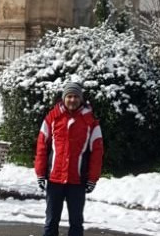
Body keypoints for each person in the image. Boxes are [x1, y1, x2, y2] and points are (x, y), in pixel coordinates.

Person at [34, 81, 103, 236]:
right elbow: (41, 146)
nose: (72, 100)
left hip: (77, 181)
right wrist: (40, 173)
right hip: (54, 179)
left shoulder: (91, 122)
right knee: (51, 222)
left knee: (76, 223)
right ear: (64, 98)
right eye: (69, 96)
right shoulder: (52, 118)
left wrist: (93, 178)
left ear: (81, 99)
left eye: (76, 97)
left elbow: (97, 153)